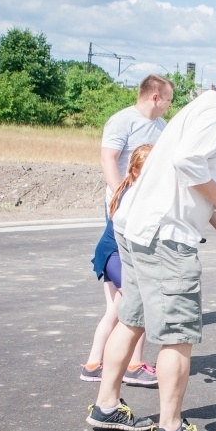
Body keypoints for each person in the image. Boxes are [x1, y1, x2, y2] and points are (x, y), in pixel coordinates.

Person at [86, 51, 216, 431]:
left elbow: (187, 180)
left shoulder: (201, 105)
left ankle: (106, 406)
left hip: (135, 226)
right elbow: (189, 164)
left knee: (131, 319)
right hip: (164, 237)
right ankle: (170, 429)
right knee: (178, 335)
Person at [81, 144, 156, 387]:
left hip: (109, 253)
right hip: (115, 255)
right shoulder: (134, 195)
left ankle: (93, 365)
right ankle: (133, 366)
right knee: (139, 305)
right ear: (135, 170)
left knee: (115, 310)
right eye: (149, 170)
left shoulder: (129, 188)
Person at [100, 74, 173, 210]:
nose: (170, 104)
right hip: (123, 205)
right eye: (168, 100)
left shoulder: (163, 125)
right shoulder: (122, 120)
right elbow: (108, 159)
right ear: (155, 98)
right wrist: (119, 195)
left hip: (149, 203)